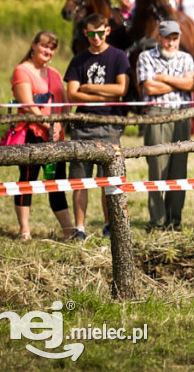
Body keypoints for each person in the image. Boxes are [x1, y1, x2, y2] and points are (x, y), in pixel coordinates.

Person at [64, 13, 130, 240]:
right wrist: (103, 93)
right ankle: (80, 228)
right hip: (82, 125)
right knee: (80, 180)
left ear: (108, 31)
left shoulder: (119, 56)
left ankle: (109, 224)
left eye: (100, 33)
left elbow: (121, 90)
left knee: (108, 180)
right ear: (85, 33)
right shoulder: (78, 60)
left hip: (109, 124)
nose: (96, 37)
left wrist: (90, 89)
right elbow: (72, 95)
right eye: (92, 33)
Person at [10, 31, 76, 240]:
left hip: (55, 137)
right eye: (44, 46)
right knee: (27, 180)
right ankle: (24, 230)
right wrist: (48, 125)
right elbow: (28, 104)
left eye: (52, 48)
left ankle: (68, 230)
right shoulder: (22, 71)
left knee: (56, 181)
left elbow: (65, 103)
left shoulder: (55, 73)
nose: (48, 51)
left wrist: (60, 124)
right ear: (34, 45)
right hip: (32, 134)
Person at [137, 20, 194, 232]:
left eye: (175, 38)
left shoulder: (186, 58)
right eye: (167, 38)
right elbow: (150, 88)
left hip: (182, 114)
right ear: (159, 38)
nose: (171, 43)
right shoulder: (146, 57)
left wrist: (164, 78)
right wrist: (178, 81)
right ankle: (157, 220)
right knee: (157, 168)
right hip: (157, 114)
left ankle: (175, 220)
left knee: (178, 169)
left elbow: (191, 85)